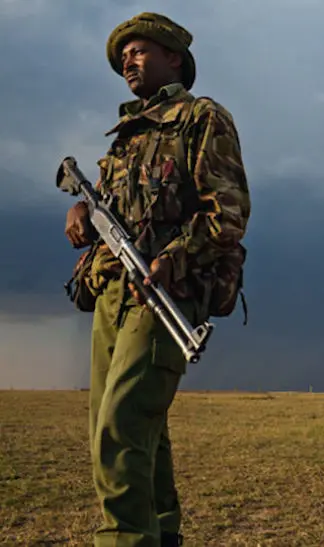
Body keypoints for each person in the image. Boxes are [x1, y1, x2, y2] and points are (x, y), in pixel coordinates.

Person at [63, 12, 251, 546]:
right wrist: (81, 210)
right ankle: (162, 534)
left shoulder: (201, 117)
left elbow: (229, 214)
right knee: (130, 425)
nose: (128, 59)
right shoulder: (125, 137)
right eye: (124, 55)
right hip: (111, 293)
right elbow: (111, 207)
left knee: (121, 425)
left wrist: (174, 256)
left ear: (175, 59)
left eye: (140, 49)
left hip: (167, 290)